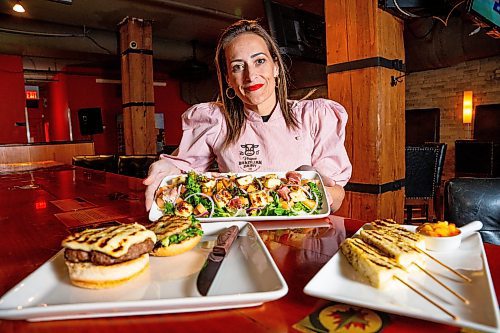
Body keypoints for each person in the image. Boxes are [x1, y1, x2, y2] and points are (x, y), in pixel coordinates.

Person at [144, 19, 351, 212]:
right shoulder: (215, 121)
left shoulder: (315, 116)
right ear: (228, 80)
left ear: (276, 67)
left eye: (259, 61)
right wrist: (167, 169)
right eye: (237, 67)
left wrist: (317, 190)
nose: (250, 76)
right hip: (236, 234)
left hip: (301, 239)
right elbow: (182, 170)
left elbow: (337, 195)